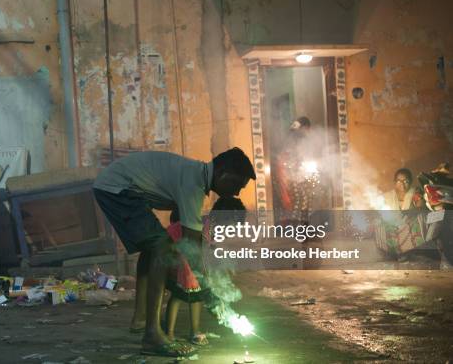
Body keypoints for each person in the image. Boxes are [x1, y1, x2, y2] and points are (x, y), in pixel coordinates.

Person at [92, 148, 255, 357]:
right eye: (236, 185)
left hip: (116, 186)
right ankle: (152, 335)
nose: (236, 193)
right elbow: (192, 246)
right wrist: (211, 297)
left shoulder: (195, 177)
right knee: (162, 245)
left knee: (153, 246)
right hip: (117, 188)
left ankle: (142, 319)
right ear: (222, 171)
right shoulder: (194, 183)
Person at [163, 197, 245, 346]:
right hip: (174, 252)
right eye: (232, 225)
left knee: (197, 294)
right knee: (178, 294)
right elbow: (197, 253)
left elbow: (210, 251)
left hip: (189, 257)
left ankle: (194, 331)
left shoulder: (213, 227)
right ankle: (168, 333)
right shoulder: (200, 225)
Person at [273, 116, 315, 225]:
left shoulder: (294, 134)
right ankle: (296, 225)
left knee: (301, 197)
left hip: (291, 171)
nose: (309, 132)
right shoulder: (296, 137)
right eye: (308, 129)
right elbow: (290, 156)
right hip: (289, 171)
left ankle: (300, 224)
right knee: (298, 197)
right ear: (305, 127)